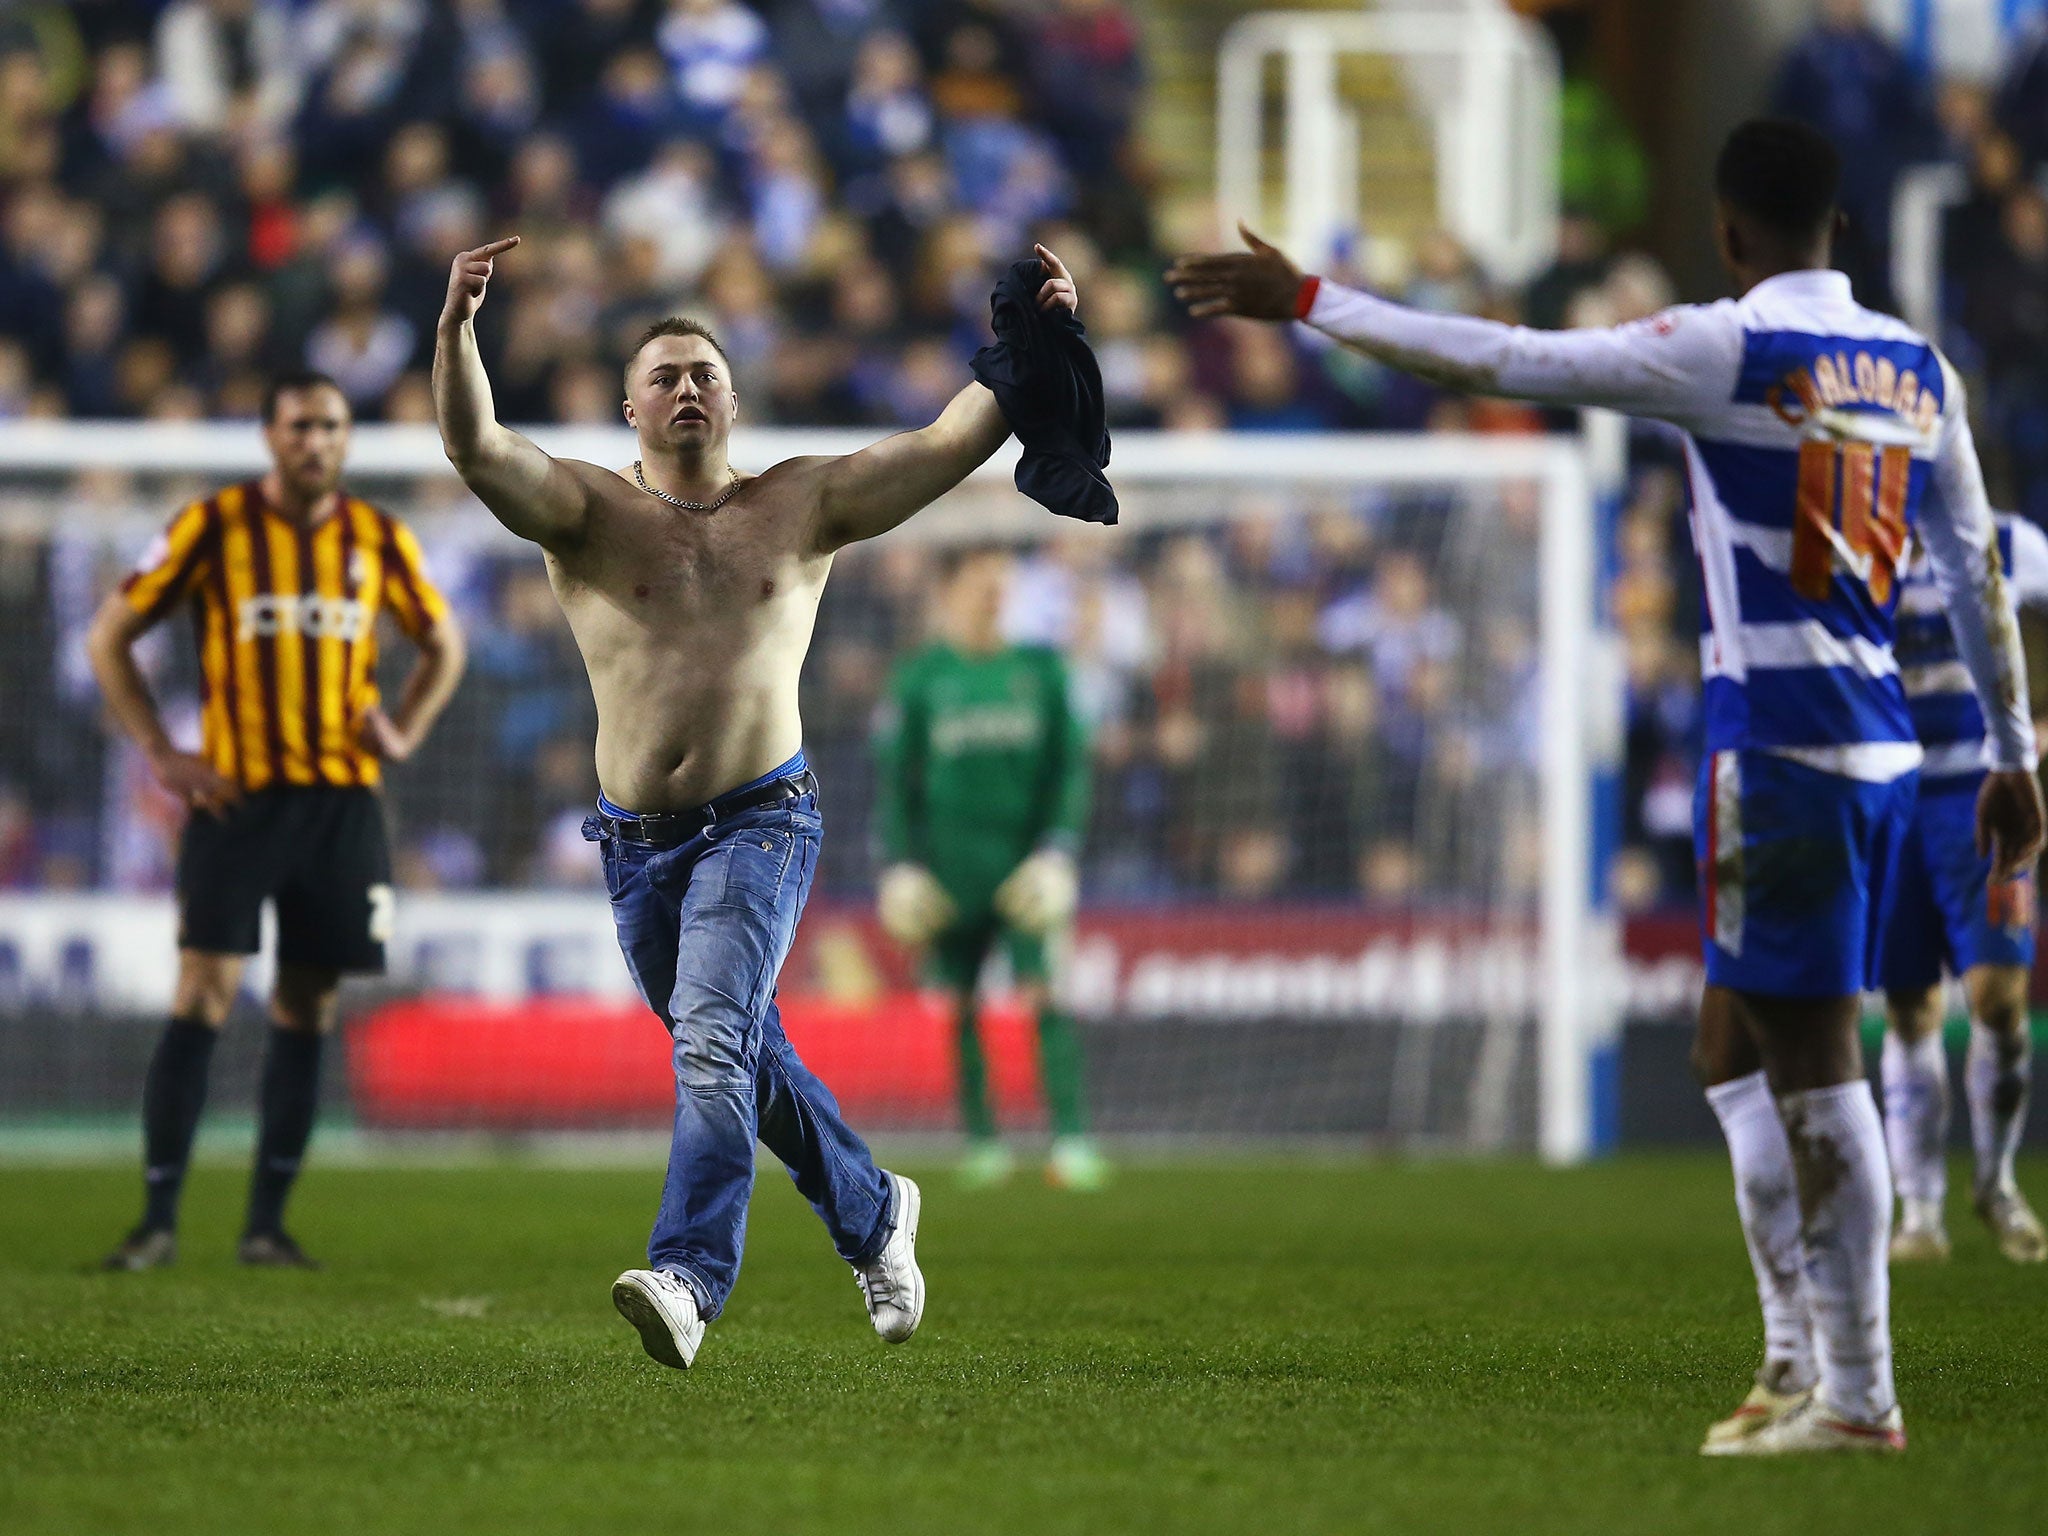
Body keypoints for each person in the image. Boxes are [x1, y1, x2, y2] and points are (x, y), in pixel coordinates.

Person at [1167, 118, 2046, 1456]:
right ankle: (1791, 1363)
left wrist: (1309, 300)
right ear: (1843, 231)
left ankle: (1857, 1395)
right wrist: (2015, 755)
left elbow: (1509, 358)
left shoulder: (1726, 347)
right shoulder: (1923, 371)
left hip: (1786, 752)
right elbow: (1980, 570)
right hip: (1881, 748)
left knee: (1814, 1070)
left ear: (1730, 230)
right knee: (1729, 1048)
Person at [431, 234, 1084, 1370]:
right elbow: (475, 442)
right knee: (736, 1051)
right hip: (632, 846)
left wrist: (1033, 338)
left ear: (733, 398)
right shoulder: (581, 512)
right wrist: (454, 332)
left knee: (708, 1047)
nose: (687, 387)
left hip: (761, 822)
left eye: (705, 373)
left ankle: (687, 1276)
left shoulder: (802, 503)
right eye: (664, 376)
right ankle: (875, 1213)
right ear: (630, 409)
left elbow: (949, 439)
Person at [93, 370, 468, 1271]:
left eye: (332, 427)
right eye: (300, 427)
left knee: (309, 1004)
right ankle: (155, 1223)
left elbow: (444, 643)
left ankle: (265, 1226)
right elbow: (110, 634)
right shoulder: (212, 527)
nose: (317, 442)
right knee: (203, 994)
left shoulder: (377, 537)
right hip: (237, 798)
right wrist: (159, 749)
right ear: (269, 435)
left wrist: (406, 726)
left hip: (342, 805)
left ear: (346, 438)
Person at [873, 546, 1104, 1190]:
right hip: (952, 872)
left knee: (1045, 991)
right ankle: (983, 1142)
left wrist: (1059, 849)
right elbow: (898, 787)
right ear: (950, 594)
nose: (994, 597)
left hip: (1027, 865)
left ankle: (1071, 1140)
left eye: (1001, 586)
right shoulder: (921, 679)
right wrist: (899, 866)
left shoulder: (1042, 671)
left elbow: (1071, 771)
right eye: (981, 586)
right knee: (962, 1001)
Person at [1881, 513, 2048, 1266]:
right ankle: (1918, 1212)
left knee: (1999, 997)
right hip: (1888, 796)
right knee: (1909, 1005)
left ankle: (1996, 1180)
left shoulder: (2013, 546)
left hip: (1978, 795)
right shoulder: (1860, 539)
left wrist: (2036, 732)